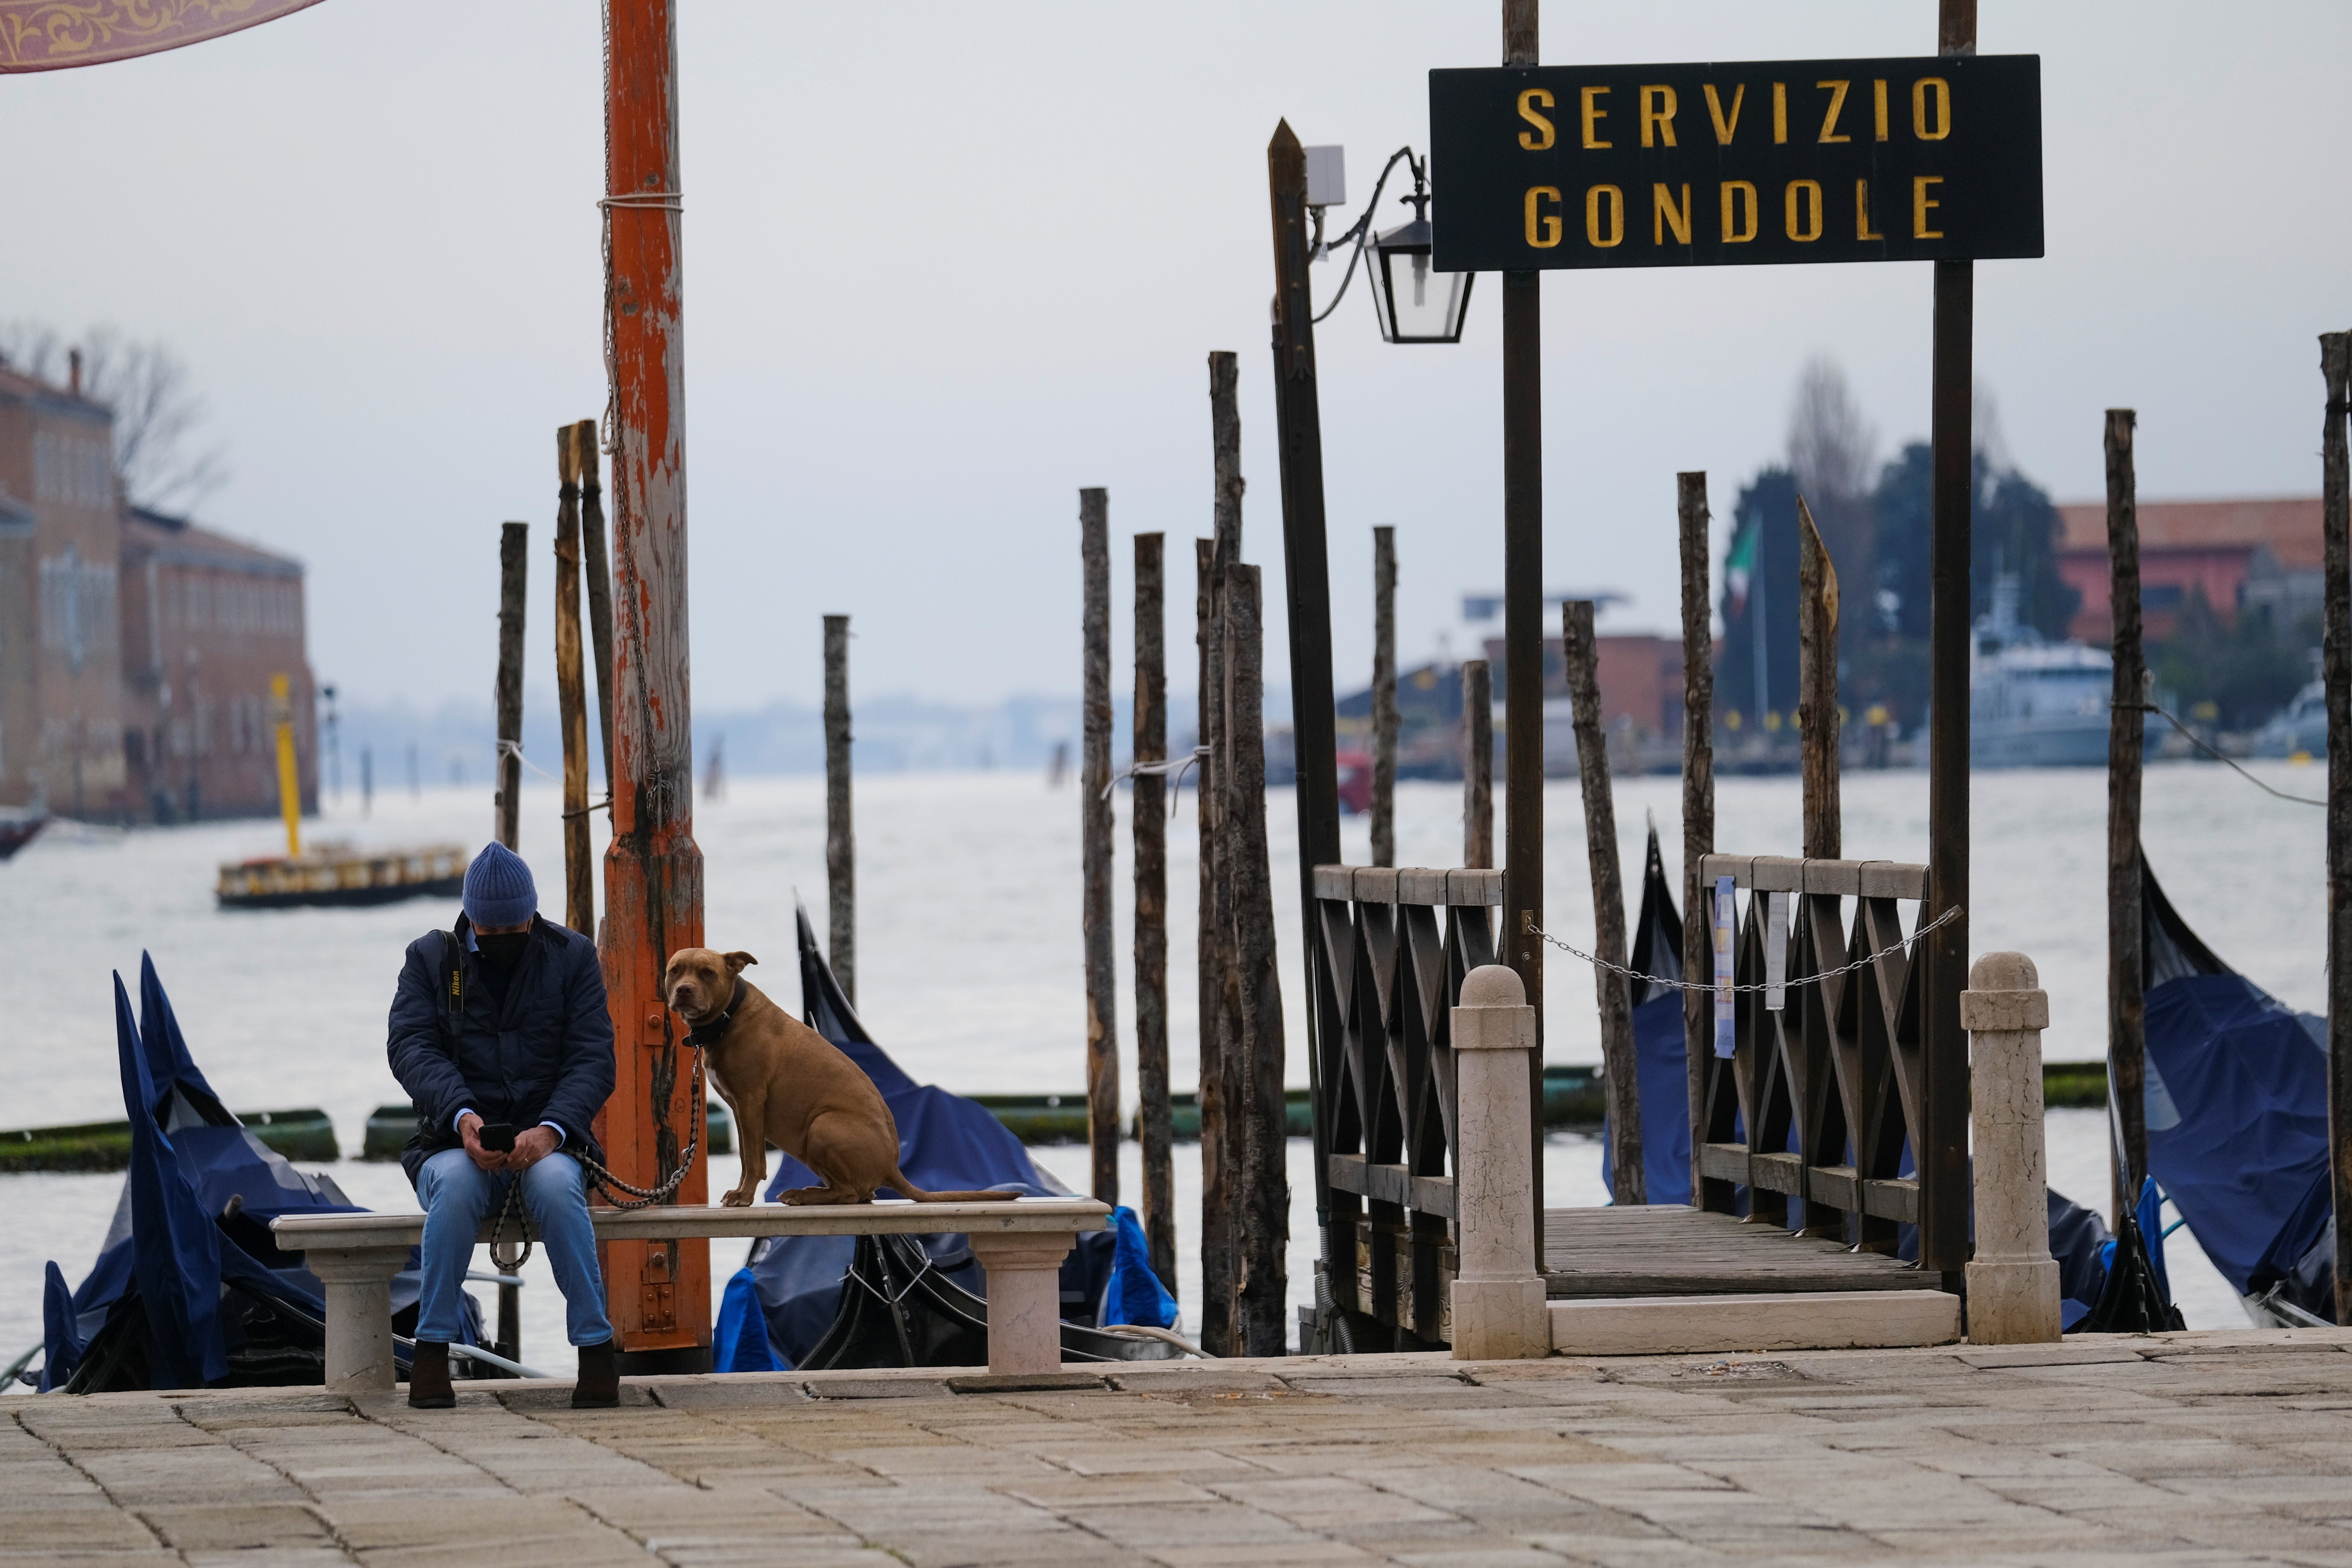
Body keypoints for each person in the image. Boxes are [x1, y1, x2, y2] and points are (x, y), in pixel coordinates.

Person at [386, 841, 618, 1409]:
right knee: (459, 1186)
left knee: (561, 1189)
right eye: (492, 933)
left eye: (515, 928)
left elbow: (593, 1057)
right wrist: (463, 1117)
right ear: (470, 922)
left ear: (534, 917)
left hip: (550, 1142)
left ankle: (596, 1350)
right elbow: (410, 1047)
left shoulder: (572, 957)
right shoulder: (430, 960)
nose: (504, 940)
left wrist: (552, 1131)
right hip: (452, 1143)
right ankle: (433, 1351)